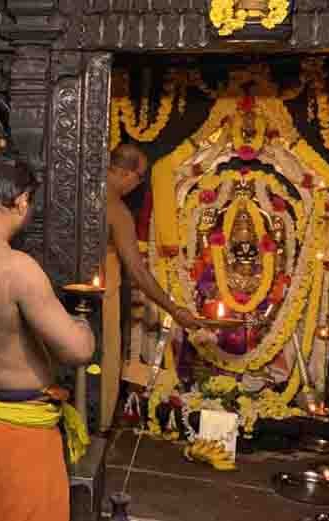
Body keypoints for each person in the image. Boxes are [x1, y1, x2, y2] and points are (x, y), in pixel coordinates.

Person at [0, 152, 95, 521]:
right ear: (22, 200)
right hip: (22, 439)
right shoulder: (16, 269)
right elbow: (76, 351)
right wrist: (84, 324)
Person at [99, 143, 206, 432]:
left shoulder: (82, 194)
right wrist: (175, 309)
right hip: (102, 300)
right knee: (105, 363)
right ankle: (99, 431)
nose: (139, 184)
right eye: (139, 177)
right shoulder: (117, 211)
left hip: (66, 296)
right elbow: (139, 273)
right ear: (122, 171)